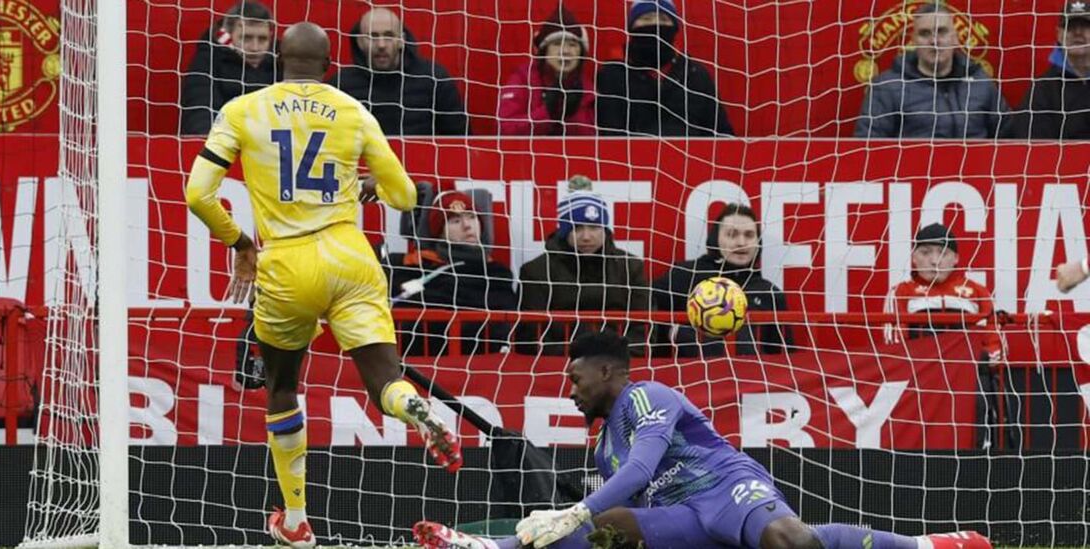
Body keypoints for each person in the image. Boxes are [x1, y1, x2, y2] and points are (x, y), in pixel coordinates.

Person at [183, 22, 461, 548]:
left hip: (286, 263)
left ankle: (296, 518)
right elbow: (406, 197)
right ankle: (412, 408)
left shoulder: (243, 110)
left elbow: (197, 193)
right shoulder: (354, 111)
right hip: (350, 255)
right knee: (384, 380)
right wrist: (376, 186)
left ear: (280, 57)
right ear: (333, 62)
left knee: (283, 387)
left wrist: (239, 242)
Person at [412, 331, 994, 549]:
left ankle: (927, 546)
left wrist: (575, 509)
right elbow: (631, 500)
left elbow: (640, 471)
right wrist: (595, 521)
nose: (570, 389)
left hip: (723, 488)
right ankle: (481, 547)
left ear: (608, 371)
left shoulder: (646, 397)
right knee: (606, 530)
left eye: (575, 376)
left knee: (790, 539)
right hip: (682, 517)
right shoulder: (599, 448)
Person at [882, 224, 1008, 449]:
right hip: (919, 382)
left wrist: (977, 363)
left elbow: (995, 341)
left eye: (942, 253)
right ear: (913, 258)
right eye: (925, 252)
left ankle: (979, 465)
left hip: (968, 382)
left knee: (981, 407)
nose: (934, 260)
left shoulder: (977, 292)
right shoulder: (901, 292)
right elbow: (893, 343)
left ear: (956, 258)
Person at [517, 177, 650, 356]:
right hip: (558, 367)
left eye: (594, 227)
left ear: (605, 229)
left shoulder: (631, 268)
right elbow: (531, 336)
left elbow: (644, 328)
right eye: (578, 228)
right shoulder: (536, 271)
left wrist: (618, 359)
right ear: (564, 231)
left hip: (619, 367)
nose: (586, 236)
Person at [388, 189, 518, 355]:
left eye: (472, 217)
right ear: (440, 232)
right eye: (455, 221)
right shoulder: (411, 268)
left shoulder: (498, 274)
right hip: (424, 364)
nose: (467, 225)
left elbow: (503, 329)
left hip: (485, 367)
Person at [653, 203, 791, 358]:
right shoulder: (685, 275)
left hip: (752, 379)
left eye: (749, 235)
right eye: (732, 234)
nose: (741, 242)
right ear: (715, 239)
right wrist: (682, 335)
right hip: (690, 378)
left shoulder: (770, 293)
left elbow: (784, 357)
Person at [854, 3, 1009, 139]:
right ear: (913, 40)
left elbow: (1009, 139)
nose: (934, 41)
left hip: (975, 171)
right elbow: (868, 148)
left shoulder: (981, 83)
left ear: (955, 38)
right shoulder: (887, 87)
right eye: (925, 33)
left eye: (942, 31)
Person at [595, 0, 734, 137]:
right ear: (631, 27)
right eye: (646, 18)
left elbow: (721, 133)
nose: (655, 24)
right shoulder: (612, 74)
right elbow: (609, 133)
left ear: (675, 27)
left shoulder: (695, 74)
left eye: (663, 18)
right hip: (628, 158)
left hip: (691, 157)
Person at [332, 7, 469, 136]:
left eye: (389, 36)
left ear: (401, 40)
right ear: (360, 42)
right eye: (373, 36)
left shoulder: (434, 78)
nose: (381, 45)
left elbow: (459, 138)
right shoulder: (340, 86)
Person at [179, 1, 280, 135]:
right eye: (246, 38)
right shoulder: (209, 59)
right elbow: (200, 112)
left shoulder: (282, 60)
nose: (255, 47)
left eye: (262, 39)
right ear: (228, 35)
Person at [497, 7, 596, 136]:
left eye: (572, 45)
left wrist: (570, 115)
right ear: (544, 51)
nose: (565, 51)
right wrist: (547, 111)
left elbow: (591, 142)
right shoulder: (523, 80)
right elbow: (506, 130)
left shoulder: (586, 87)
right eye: (556, 44)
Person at [1010, 0, 1090, 139]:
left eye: (1085, 26)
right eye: (1070, 27)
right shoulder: (1042, 90)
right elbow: (1035, 149)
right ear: (1059, 34)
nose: (1078, 32)